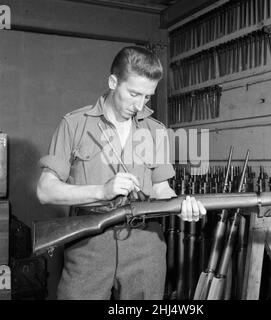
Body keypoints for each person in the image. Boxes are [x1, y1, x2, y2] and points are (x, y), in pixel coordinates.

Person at [36, 46, 206, 300]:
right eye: (134, 94)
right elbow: (45, 191)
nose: (139, 105)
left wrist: (182, 206)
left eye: (147, 97)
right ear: (113, 82)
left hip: (146, 242)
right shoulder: (74, 124)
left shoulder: (155, 131)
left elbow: (161, 190)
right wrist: (102, 191)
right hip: (88, 242)